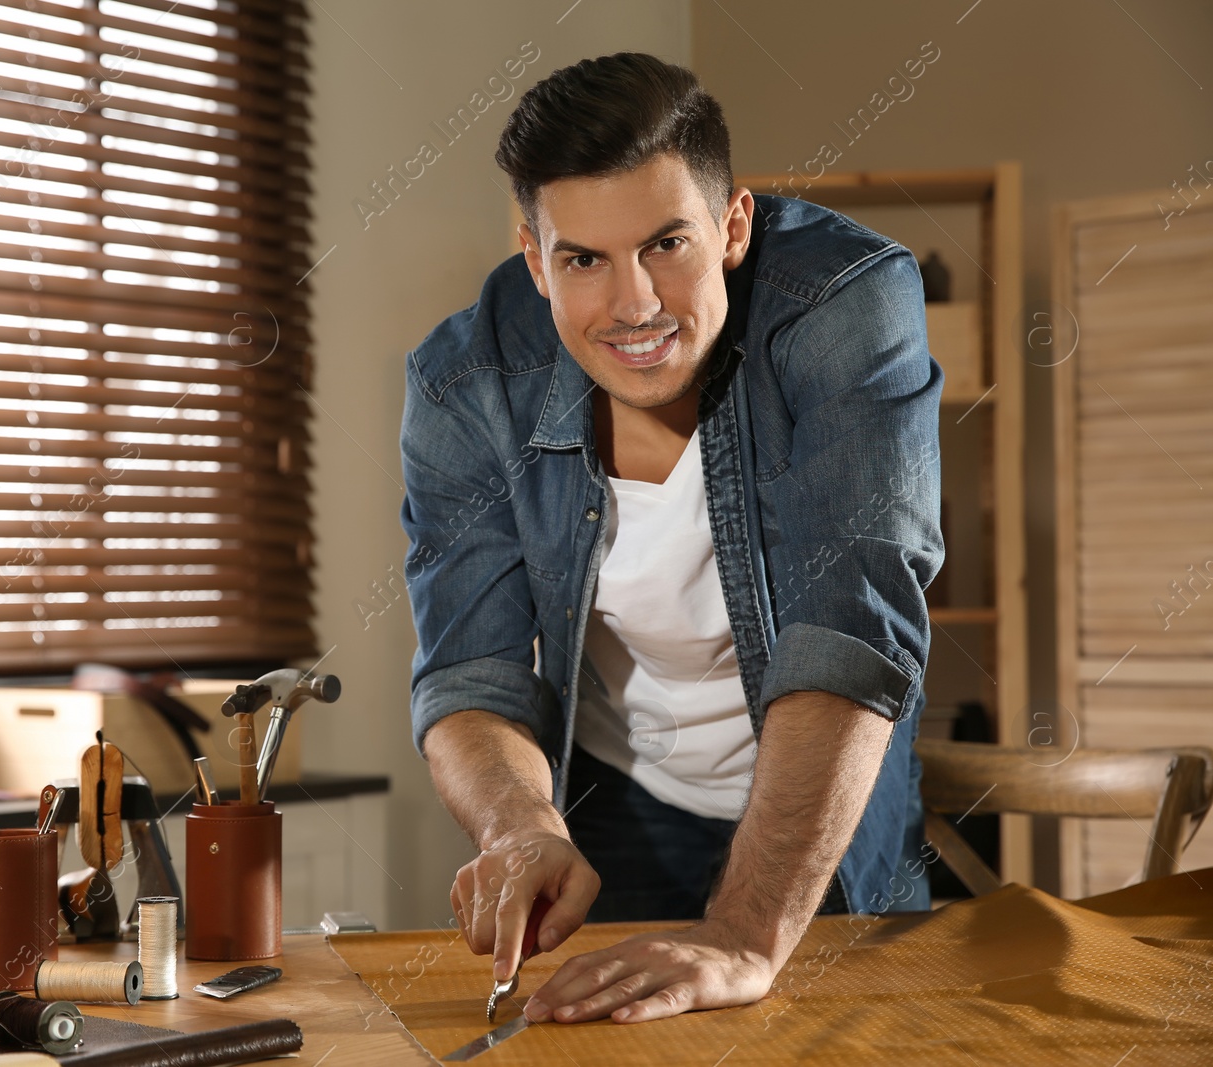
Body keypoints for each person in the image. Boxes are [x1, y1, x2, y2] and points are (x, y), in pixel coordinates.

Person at [399, 52, 943, 1025]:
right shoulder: (461, 380)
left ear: (731, 224)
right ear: (534, 258)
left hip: (826, 808)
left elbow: (849, 636)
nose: (635, 304)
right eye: (583, 261)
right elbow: (468, 678)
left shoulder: (843, 307)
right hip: (622, 812)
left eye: (665, 244)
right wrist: (521, 825)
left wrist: (742, 936)